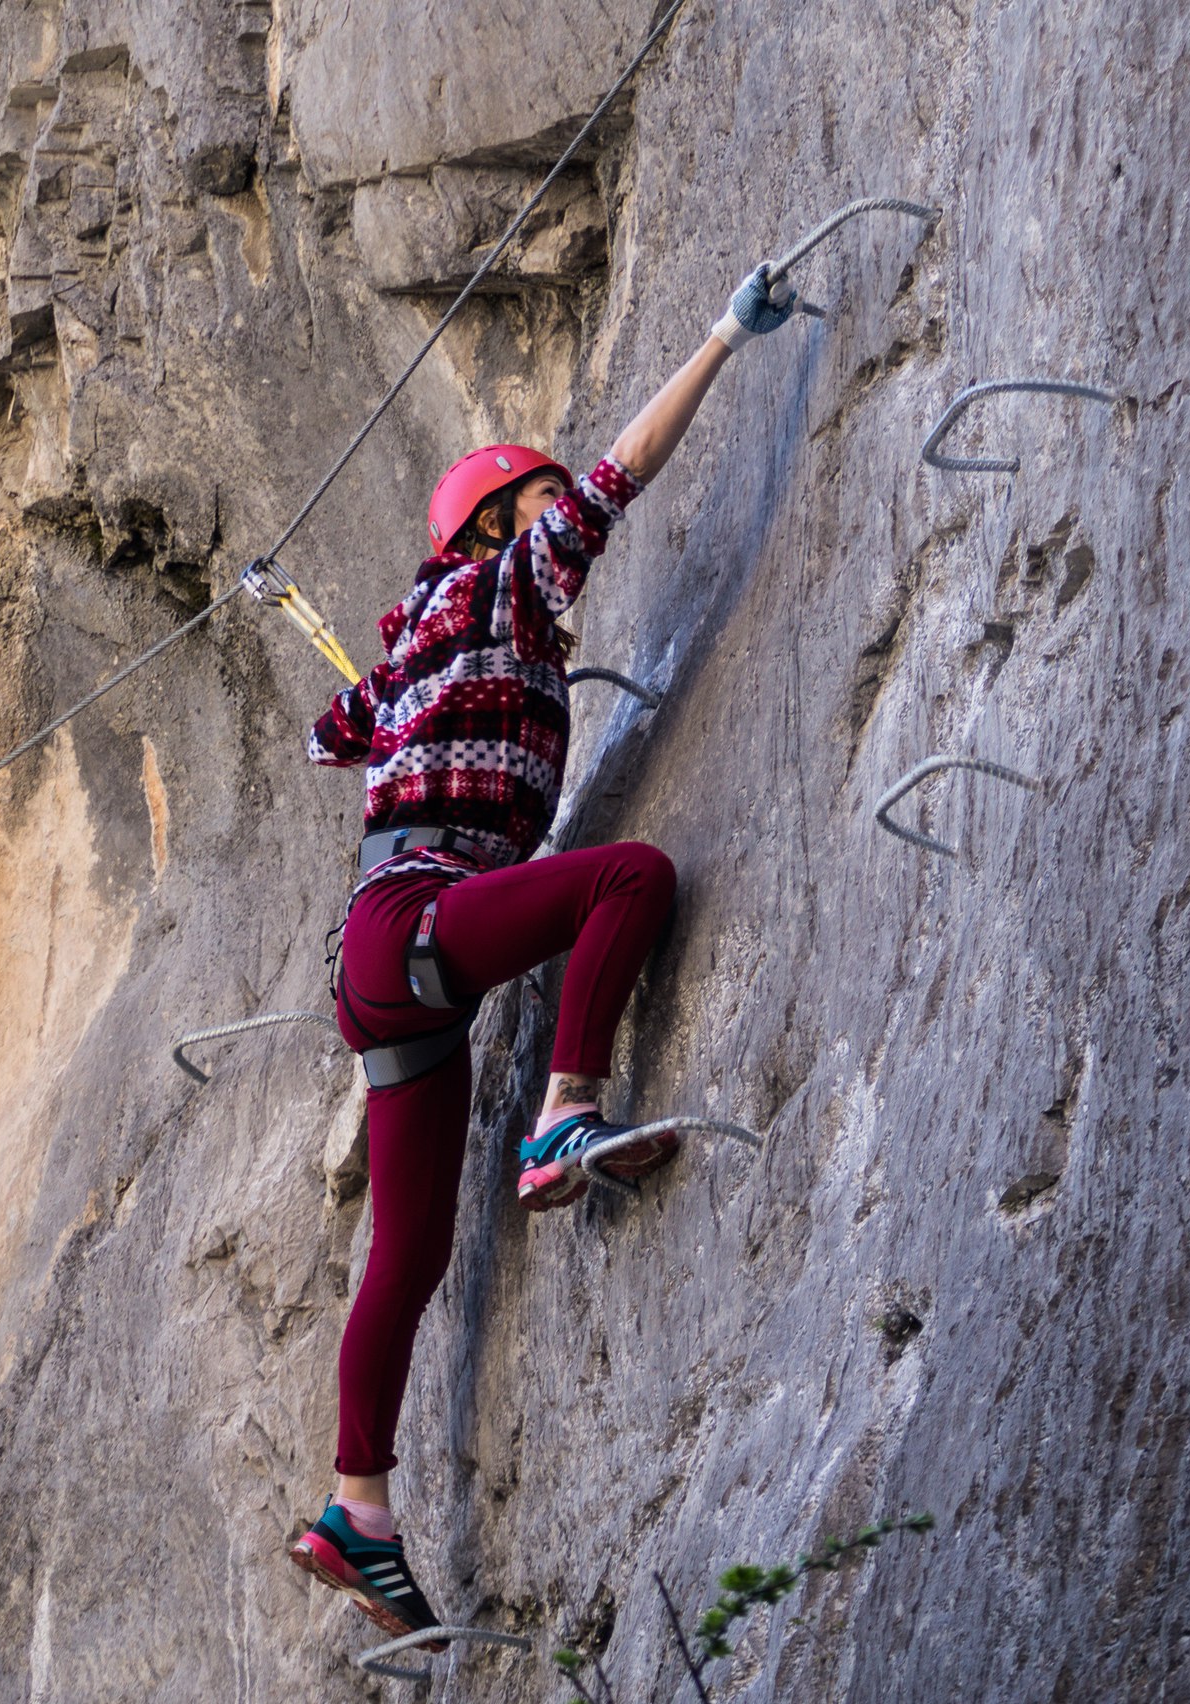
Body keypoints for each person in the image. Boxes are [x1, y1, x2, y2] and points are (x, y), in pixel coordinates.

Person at [285, 263, 803, 1642]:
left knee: (408, 1248)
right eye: (528, 511)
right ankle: (561, 1122)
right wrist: (716, 340)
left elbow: (333, 733)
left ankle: (362, 1509)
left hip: (384, 969)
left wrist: (389, 686)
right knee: (627, 877)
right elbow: (615, 481)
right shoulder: (504, 588)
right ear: (497, 526)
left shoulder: (414, 652)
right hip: (419, 927)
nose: (550, 539)